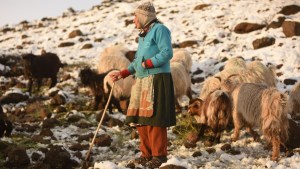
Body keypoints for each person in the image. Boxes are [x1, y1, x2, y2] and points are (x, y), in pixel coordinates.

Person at [110, 1, 176, 168]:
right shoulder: (144, 35)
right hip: (142, 81)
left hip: (157, 79)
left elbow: (167, 52)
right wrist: (123, 73)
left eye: (135, 17)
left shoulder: (160, 30)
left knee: (155, 119)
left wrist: (150, 63)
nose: (133, 20)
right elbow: (137, 62)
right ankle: (146, 154)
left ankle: (159, 156)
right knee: (140, 119)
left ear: (143, 17)